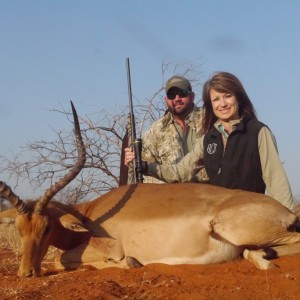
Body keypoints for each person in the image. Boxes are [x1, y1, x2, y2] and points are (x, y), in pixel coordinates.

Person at [125, 72, 294, 210]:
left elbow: (276, 180)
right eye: (216, 99)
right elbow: (181, 171)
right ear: (211, 104)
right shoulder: (209, 138)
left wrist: (288, 219)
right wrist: (146, 166)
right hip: (215, 213)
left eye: (227, 96)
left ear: (238, 98)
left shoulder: (258, 131)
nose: (223, 104)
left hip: (249, 211)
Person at [127, 75, 207, 184]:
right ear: (166, 100)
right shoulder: (155, 130)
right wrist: (134, 161)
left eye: (182, 93)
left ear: (192, 96)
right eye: (172, 95)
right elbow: (147, 173)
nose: (177, 99)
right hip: (172, 196)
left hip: (211, 191)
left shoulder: (209, 119)